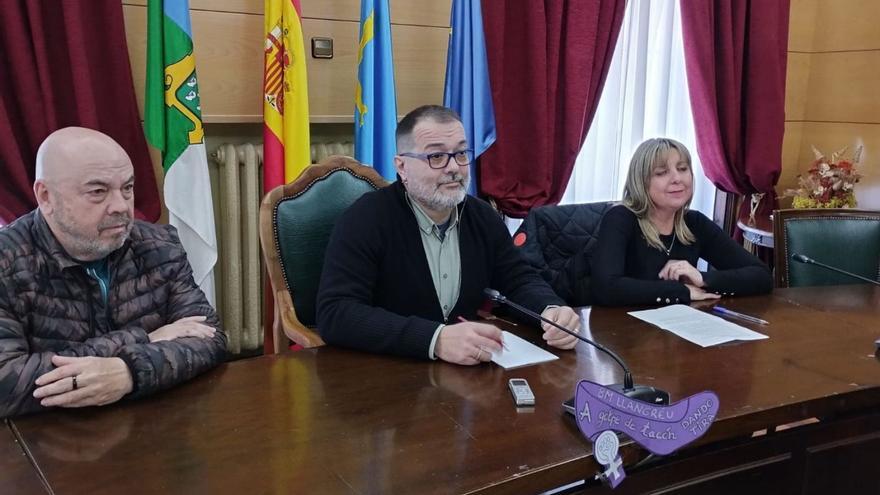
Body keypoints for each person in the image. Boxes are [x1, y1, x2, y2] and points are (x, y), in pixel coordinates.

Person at [317, 105, 580, 365]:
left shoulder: (482, 217)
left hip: (465, 375)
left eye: (461, 153)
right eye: (437, 157)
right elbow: (337, 313)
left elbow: (519, 279)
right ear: (402, 167)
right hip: (385, 372)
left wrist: (550, 310)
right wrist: (435, 339)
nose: (454, 167)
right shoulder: (366, 218)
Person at [0, 127, 226, 417]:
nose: (121, 206)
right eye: (98, 191)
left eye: (128, 188)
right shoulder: (7, 261)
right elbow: (7, 383)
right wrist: (145, 339)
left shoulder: (158, 244)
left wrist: (129, 372)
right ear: (46, 196)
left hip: (152, 428)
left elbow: (210, 338)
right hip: (46, 444)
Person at [590, 138, 772, 306]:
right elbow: (606, 288)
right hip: (618, 328)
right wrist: (680, 291)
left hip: (672, 327)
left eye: (683, 169)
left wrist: (702, 278)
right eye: (661, 173)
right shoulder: (620, 218)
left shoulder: (694, 222)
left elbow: (762, 276)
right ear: (641, 182)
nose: (677, 178)